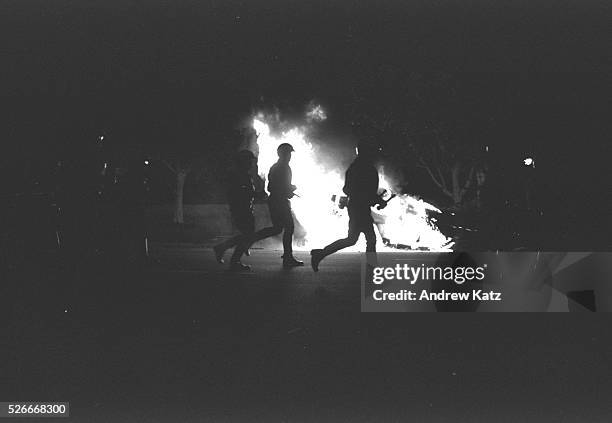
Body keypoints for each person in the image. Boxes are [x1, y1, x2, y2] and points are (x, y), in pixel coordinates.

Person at [310, 141, 388, 271]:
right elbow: (360, 190)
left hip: (357, 207)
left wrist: (373, 199)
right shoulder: (364, 168)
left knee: (353, 239)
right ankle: (372, 266)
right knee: (368, 238)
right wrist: (375, 200)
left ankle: (321, 254)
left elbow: (349, 189)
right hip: (359, 208)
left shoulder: (356, 167)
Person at [242, 143, 304, 268]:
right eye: (288, 153)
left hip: (276, 200)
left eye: (290, 154)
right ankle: (288, 257)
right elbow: (275, 187)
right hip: (279, 201)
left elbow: (272, 186)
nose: (289, 156)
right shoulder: (283, 168)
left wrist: (287, 190)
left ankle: (250, 240)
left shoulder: (277, 167)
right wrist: (289, 189)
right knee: (289, 227)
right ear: (283, 154)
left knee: (277, 228)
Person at [213, 150, 260, 271]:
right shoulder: (238, 175)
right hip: (241, 209)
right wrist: (255, 194)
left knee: (247, 235)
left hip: (244, 208)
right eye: (249, 161)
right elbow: (239, 193)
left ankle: (226, 251)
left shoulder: (243, 174)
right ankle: (229, 255)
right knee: (248, 235)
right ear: (243, 161)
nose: (251, 163)